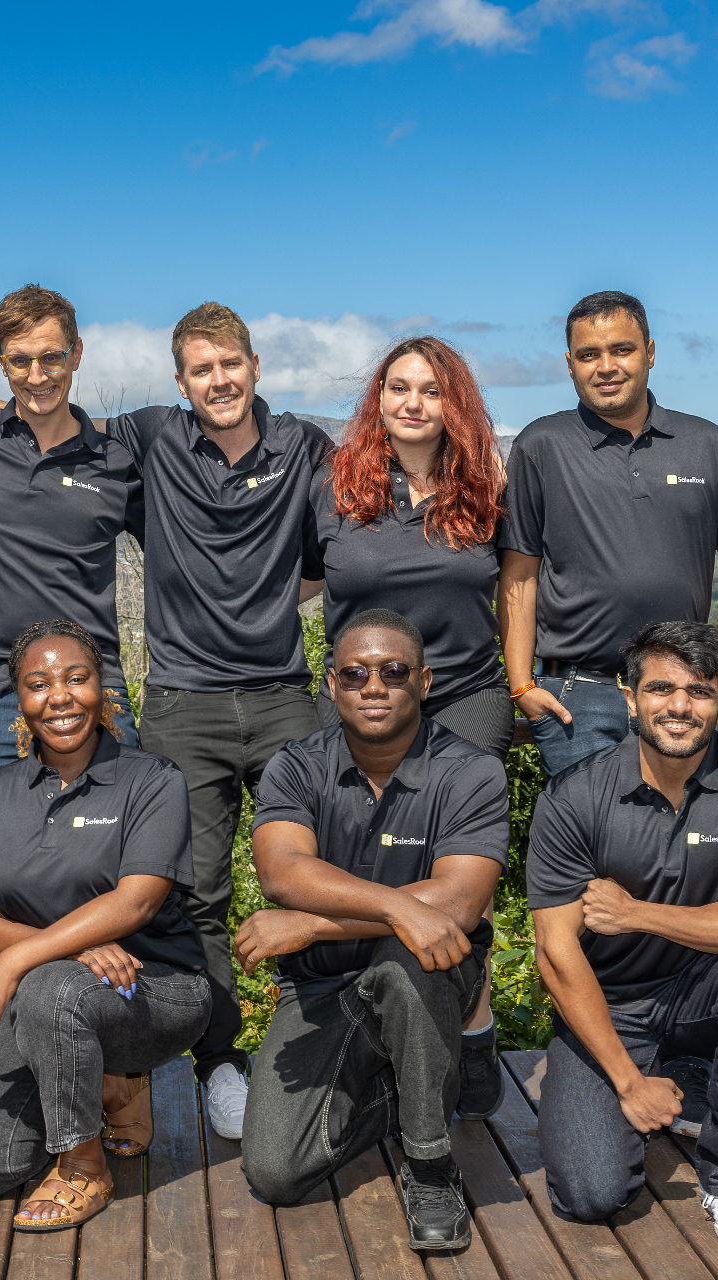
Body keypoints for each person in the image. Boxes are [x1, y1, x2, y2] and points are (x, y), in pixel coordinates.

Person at [0, 300, 332, 1139]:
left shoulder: (149, 446)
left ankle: (153, 1090)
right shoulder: (8, 445)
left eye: (230, 365)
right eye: (19, 361)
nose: (37, 374)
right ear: (179, 382)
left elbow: (319, 564)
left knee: (244, 880)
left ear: (255, 367)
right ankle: (71, 1071)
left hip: (130, 691)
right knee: (45, 880)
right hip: (13, 696)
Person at [527, 620, 718, 1253]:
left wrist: (638, 914)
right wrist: (627, 1083)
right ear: (630, 699)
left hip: (706, 994)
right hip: (611, 1006)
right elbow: (557, 951)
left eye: (701, 691)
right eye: (661, 689)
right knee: (590, 1197)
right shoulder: (575, 796)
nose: (680, 706)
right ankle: (657, 1075)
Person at [234, 610, 509, 1254]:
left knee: (405, 964)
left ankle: (431, 1162)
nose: (374, 686)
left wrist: (309, 924)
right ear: (331, 685)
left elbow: (461, 902)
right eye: (356, 674)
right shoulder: (295, 767)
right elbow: (282, 871)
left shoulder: (470, 771)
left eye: (394, 671)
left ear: (425, 680)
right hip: (323, 989)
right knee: (276, 1173)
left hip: (432, 977)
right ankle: (407, 1083)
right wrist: (398, 906)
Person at [0, 619, 209, 1233]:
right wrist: (73, 950)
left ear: (102, 689)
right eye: (38, 684)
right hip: (56, 997)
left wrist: (19, 960)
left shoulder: (153, 780)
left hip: (155, 988)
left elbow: (137, 903)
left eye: (76, 678)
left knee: (50, 987)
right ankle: (109, 1088)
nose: (58, 696)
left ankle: (83, 1164)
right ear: (20, 703)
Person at [311, 336, 513, 1118]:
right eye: (398, 387)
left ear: (452, 403)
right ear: (378, 399)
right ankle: (374, 1032)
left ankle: (473, 1026)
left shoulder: (489, 489)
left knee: (462, 874)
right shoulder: (337, 488)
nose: (412, 402)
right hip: (363, 697)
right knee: (364, 862)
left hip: (464, 695)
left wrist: (525, 681)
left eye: (431, 390)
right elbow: (294, 577)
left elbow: (523, 587)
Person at [497, 291, 718, 777]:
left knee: (683, 843)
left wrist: (712, 678)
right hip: (574, 698)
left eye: (622, 349)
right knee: (590, 845)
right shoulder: (541, 446)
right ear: (570, 363)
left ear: (651, 352)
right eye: (588, 355)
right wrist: (521, 685)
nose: (606, 366)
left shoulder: (708, 446)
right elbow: (519, 572)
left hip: (678, 695)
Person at [0, 285, 144, 795]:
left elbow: (182, 545)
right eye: (20, 360)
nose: (37, 376)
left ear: (76, 353)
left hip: (96, 691)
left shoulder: (115, 461)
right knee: (2, 863)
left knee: (112, 853)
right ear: (0, 360)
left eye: (52, 358)